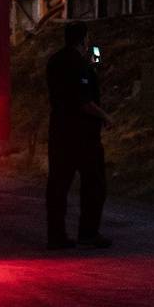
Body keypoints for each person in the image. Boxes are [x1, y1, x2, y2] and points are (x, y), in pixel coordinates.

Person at [45, 21, 110, 249]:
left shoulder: (55, 61)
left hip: (59, 131)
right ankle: (88, 232)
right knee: (93, 184)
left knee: (58, 185)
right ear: (83, 39)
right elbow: (84, 101)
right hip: (83, 135)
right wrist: (105, 116)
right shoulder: (80, 65)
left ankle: (56, 235)